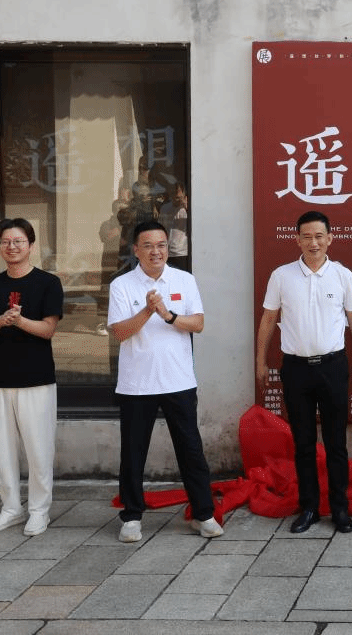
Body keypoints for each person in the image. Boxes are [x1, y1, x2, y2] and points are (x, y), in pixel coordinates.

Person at [108, 220, 222, 543]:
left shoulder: (184, 280)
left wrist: (168, 315)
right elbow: (120, 332)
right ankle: (131, 517)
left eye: (161, 245)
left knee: (191, 449)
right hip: (136, 384)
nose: (156, 251)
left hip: (178, 380)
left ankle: (204, 514)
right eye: (148, 246)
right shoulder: (122, 285)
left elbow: (197, 323)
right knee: (133, 453)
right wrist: (148, 311)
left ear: (167, 249)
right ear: (136, 250)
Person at [255, 210, 352, 534]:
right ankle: (309, 508)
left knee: (336, 443)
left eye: (319, 236)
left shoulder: (343, 275)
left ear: (330, 238)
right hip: (296, 369)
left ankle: (340, 508)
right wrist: (260, 360)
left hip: (333, 366)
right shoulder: (282, 276)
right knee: (303, 442)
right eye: (307, 236)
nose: (313, 243)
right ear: (297, 239)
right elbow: (268, 319)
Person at [0, 218, 64, 536]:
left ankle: (39, 511)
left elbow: (48, 329)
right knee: (3, 449)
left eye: (18, 241)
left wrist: (21, 321)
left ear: (31, 245)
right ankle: (11, 508)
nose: (11, 247)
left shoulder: (48, 283)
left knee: (39, 449)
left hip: (36, 379)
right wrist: (1, 320)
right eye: (5, 242)